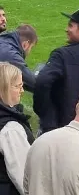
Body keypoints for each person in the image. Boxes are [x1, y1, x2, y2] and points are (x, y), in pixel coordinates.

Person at [0, 63, 33, 195]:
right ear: (4, 88)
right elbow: (23, 177)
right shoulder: (10, 129)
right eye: (17, 86)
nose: (22, 90)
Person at [0, 25, 38, 92]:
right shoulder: (11, 55)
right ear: (25, 44)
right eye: (31, 47)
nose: (29, 52)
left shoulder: (4, 39)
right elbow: (33, 83)